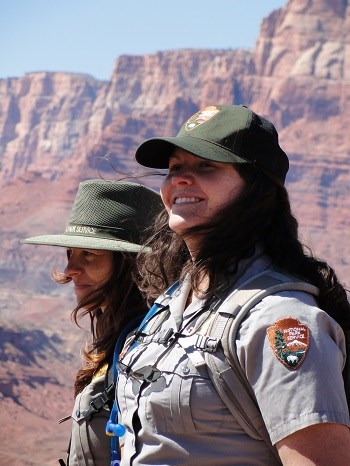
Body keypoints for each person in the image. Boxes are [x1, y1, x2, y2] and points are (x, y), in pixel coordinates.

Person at [114, 104, 350, 465]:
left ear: (256, 188)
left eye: (206, 165)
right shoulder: (173, 302)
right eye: (175, 167)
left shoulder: (279, 318)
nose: (180, 178)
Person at [21, 179, 162, 466]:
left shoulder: (150, 347)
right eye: (70, 253)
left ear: (129, 264)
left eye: (89, 254)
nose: (71, 269)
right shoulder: (120, 337)